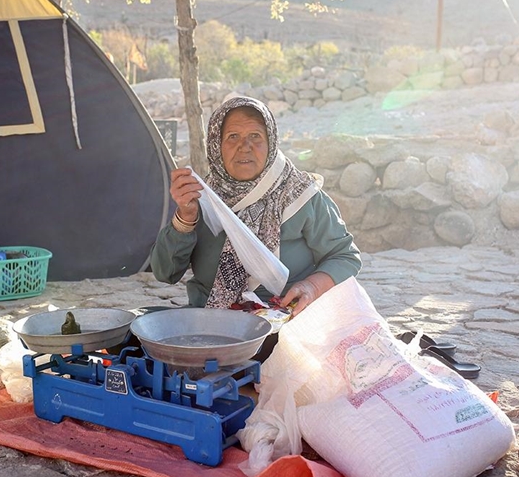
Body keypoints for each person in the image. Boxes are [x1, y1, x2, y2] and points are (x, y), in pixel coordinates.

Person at [151, 96, 361, 360]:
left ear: (271, 142)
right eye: (233, 137)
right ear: (216, 145)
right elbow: (164, 272)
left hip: (286, 326)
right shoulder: (201, 198)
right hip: (212, 324)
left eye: (255, 136)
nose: (245, 147)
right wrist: (186, 216)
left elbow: (345, 256)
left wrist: (311, 287)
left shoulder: (300, 196)